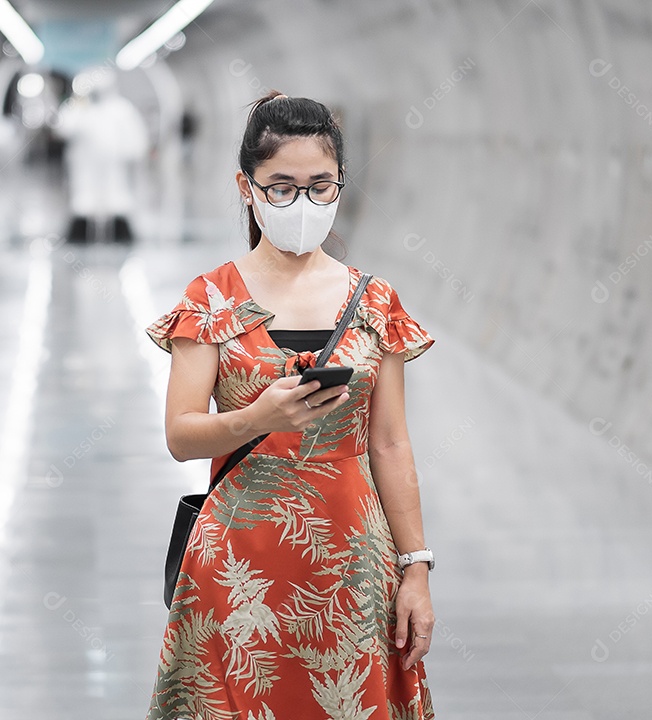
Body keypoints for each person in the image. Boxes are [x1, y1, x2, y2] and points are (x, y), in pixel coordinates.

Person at [144, 92, 437, 719]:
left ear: (340, 187)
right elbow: (180, 434)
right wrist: (257, 420)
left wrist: (416, 569)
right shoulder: (211, 299)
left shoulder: (374, 301)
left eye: (319, 186)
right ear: (246, 187)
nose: (301, 203)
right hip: (237, 568)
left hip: (354, 563)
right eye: (281, 187)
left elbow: (388, 443)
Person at [55, 68, 148, 243]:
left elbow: (135, 137)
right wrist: (76, 103)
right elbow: (63, 128)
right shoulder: (80, 109)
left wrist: (131, 153)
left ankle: (120, 233)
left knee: (116, 195)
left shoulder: (121, 109)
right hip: (85, 164)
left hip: (114, 163)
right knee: (84, 196)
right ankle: (80, 232)